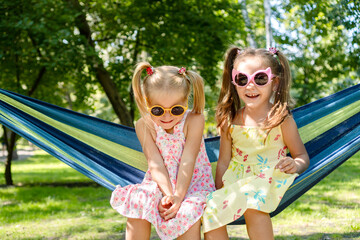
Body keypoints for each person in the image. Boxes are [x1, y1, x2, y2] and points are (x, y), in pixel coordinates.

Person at [202, 47, 310, 240]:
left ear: (275, 83)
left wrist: (295, 164)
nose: (250, 86)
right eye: (242, 79)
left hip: (269, 177)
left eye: (260, 79)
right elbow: (224, 161)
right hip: (237, 180)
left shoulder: (281, 119)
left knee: (253, 204)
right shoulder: (230, 120)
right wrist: (219, 191)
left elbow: (301, 156)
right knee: (210, 208)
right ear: (234, 82)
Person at [110, 62, 215, 240]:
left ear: (185, 101)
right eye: (158, 110)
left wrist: (178, 197)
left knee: (187, 212)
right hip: (160, 184)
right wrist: (169, 196)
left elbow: (188, 159)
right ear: (147, 104)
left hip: (193, 185)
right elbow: (155, 163)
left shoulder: (194, 120)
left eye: (176, 109)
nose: (167, 116)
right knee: (137, 200)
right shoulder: (144, 125)